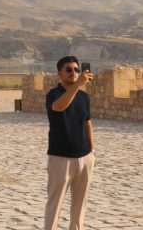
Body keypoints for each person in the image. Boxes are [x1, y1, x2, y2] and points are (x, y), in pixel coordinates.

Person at [44, 56, 95, 230]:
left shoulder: (84, 97)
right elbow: (59, 106)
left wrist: (92, 151)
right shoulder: (54, 94)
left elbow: (87, 123)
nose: (73, 72)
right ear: (60, 73)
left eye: (76, 69)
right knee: (55, 204)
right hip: (61, 158)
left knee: (80, 205)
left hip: (85, 157)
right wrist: (77, 85)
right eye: (68, 69)